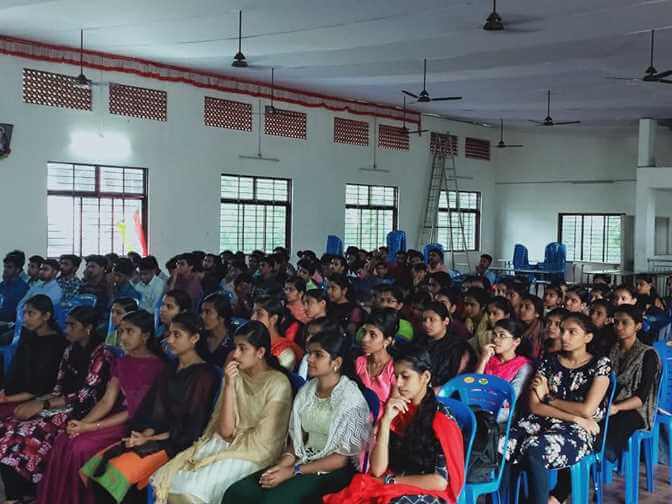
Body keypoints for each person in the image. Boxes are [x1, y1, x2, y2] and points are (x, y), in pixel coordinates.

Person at [80, 313, 219, 504]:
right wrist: (143, 435)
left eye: (177, 335)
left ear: (194, 338)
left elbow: (190, 428)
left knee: (113, 478)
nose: (169, 340)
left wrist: (149, 439)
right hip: (153, 436)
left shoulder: (205, 375)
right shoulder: (170, 367)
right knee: (94, 469)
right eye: (169, 333)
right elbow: (154, 410)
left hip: (176, 443)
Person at [150, 321, 294, 503]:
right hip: (223, 441)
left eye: (243, 348)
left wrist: (232, 444)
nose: (236, 354)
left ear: (260, 352)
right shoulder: (234, 375)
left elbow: (265, 444)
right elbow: (225, 431)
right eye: (235, 347)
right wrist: (229, 386)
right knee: (167, 480)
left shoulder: (278, 384)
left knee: (191, 491)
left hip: (253, 453)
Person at [223, 329, 371, 504]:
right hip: (303, 459)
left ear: (336, 362)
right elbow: (298, 441)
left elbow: (341, 459)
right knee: (238, 492)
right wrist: (282, 465)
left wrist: (294, 471)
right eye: (309, 353)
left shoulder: (351, 399)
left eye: (318, 355)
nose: (309, 359)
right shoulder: (307, 391)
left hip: (332, 471)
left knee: (272, 501)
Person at [37, 310, 164, 504]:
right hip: (114, 415)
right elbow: (107, 400)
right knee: (66, 438)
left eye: (130, 331)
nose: (123, 337)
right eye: (121, 331)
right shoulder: (123, 362)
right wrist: (81, 425)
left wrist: (90, 427)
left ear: (145, 335)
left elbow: (133, 411)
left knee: (80, 447)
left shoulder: (156, 367)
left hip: (133, 424)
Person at [323, 347, 465, 504]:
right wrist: (385, 421)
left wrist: (391, 481)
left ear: (425, 377)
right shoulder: (399, 410)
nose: (398, 384)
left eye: (405, 377)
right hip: (396, 481)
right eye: (396, 377)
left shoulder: (441, 419)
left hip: (430, 490)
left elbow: (440, 482)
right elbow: (378, 470)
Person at [0, 306, 114, 501]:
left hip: (82, 411)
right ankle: (17, 493)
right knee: (8, 425)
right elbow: (58, 388)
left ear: (88, 328)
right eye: (66, 324)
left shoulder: (101, 355)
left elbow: (84, 395)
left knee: (26, 435)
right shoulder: (70, 350)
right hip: (58, 405)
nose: (66, 329)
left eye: (72, 325)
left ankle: (24, 492)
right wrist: (36, 403)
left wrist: (43, 405)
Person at [504, 313, 611, 504]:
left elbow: (587, 410)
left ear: (588, 337)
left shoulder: (600, 364)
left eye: (572, 332)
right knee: (502, 443)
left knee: (536, 450)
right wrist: (575, 416)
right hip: (550, 421)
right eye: (563, 331)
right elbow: (535, 406)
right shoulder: (549, 360)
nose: (564, 336)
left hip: (579, 430)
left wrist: (549, 398)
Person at [605, 304, 661, 462]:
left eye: (625, 322)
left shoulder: (648, 354)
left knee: (620, 420)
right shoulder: (612, 350)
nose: (618, 327)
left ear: (638, 326)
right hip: (611, 403)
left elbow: (641, 397)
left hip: (636, 410)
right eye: (616, 322)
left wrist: (616, 408)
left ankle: (607, 454)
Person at [0, 295, 66, 418]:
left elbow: (39, 388)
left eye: (31, 313)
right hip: (14, 394)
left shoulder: (55, 345)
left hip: (34, 399)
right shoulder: (30, 335)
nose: (25, 318)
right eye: (24, 313)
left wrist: (6, 399)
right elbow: (17, 371)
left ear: (46, 316)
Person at [475, 319, 533, 422]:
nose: (495, 339)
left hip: (502, 410)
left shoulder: (524, 366)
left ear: (516, 341)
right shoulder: (488, 357)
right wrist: (483, 359)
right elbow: (473, 385)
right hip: (479, 403)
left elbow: (511, 397)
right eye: (494, 334)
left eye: (502, 335)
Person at [420, 302, 476, 387]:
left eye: (432, 320)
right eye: (424, 320)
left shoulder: (459, 346)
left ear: (446, 321)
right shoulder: (419, 342)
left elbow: (461, 378)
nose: (426, 324)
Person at [355, 309, 397, 408]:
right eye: (364, 332)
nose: (364, 339)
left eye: (372, 335)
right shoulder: (360, 362)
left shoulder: (394, 369)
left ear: (387, 341)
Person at [251, 296, 303, 371]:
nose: (252, 318)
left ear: (273, 319)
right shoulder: (254, 342)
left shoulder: (285, 352)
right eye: (253, 313)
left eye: (259, 314)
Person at [200, 292, 235, 366]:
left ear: (222, 316)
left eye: (208, 312)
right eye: (202, 311)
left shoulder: (233, 342)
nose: (202, 316)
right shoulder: (199, 337)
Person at [0, 251, 29, 323]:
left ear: (17, 270)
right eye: (5, 267)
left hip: (11, 324)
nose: (5, 270)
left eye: (9, 267)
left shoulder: (23, 289)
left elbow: (18, 313)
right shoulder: (2, 285)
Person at [518, 294, 545, 358]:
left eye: (527, 308)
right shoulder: (517, 325)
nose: (522, 310)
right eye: (521, 306)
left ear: (537, 313)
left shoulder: (542, 331)